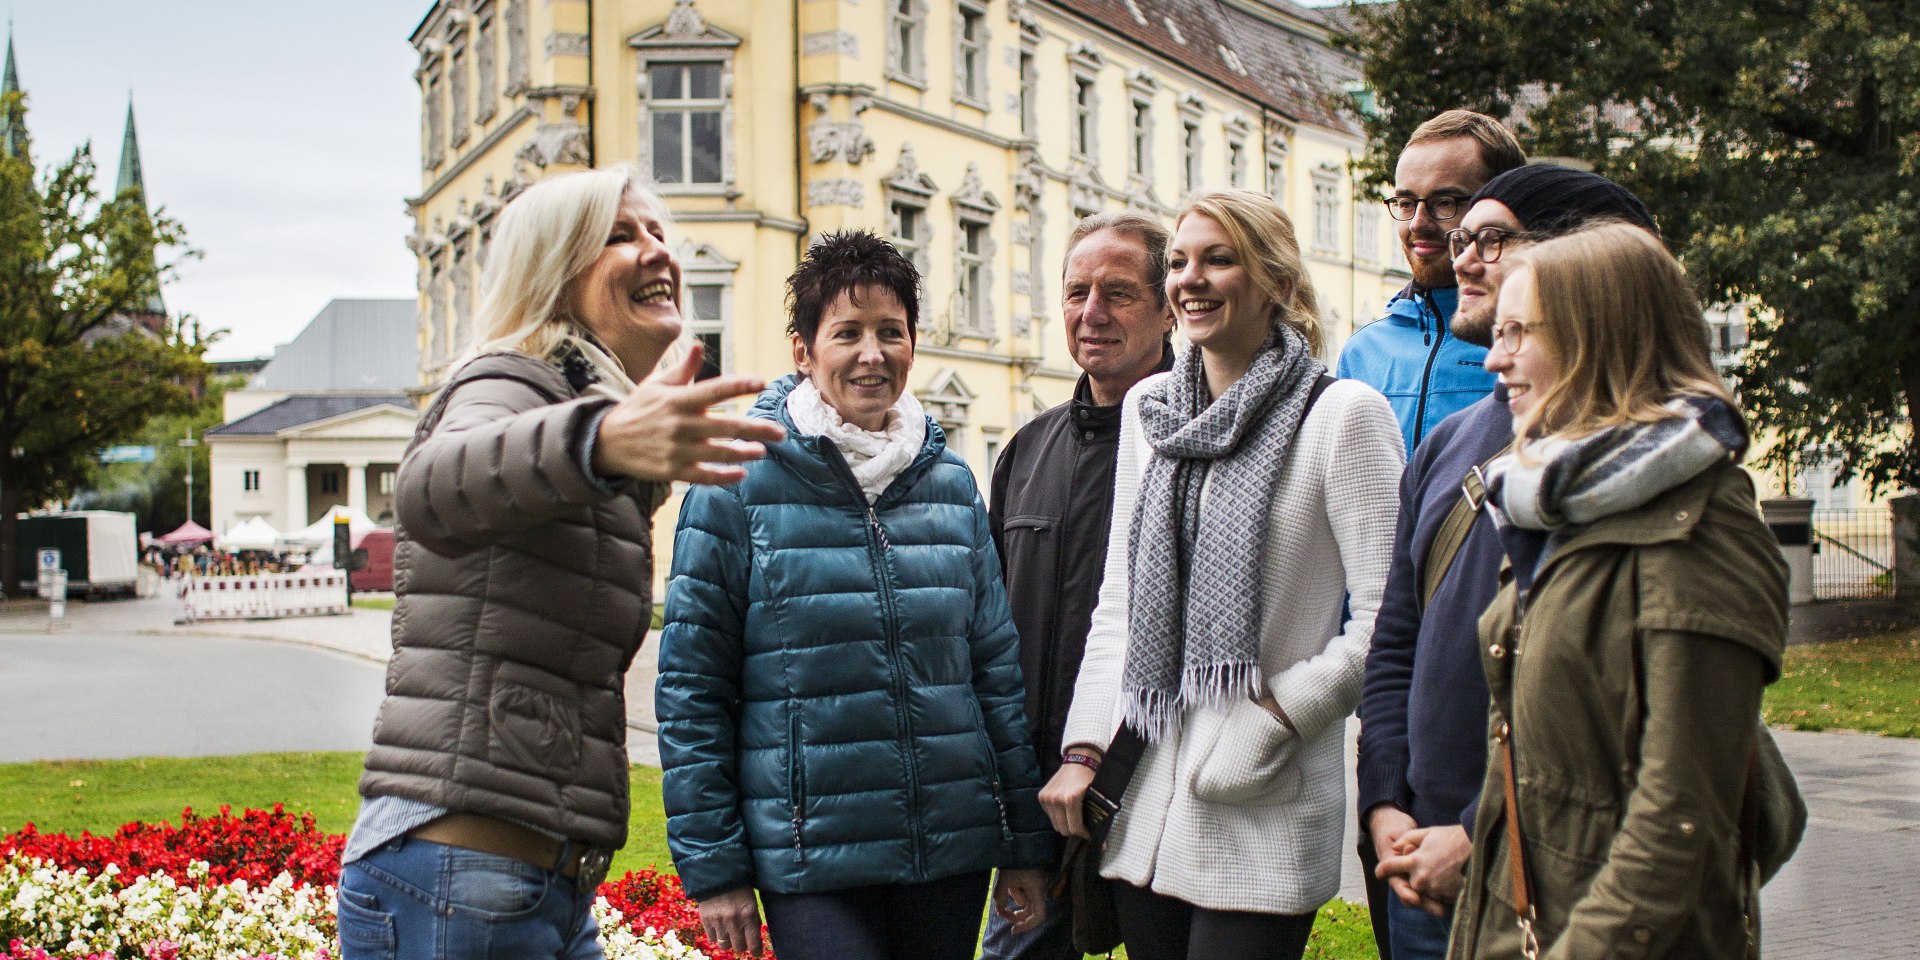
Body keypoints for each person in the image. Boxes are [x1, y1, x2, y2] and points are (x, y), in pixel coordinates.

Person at [335, 163, 787, 960]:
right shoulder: (508, 382)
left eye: (657, 232)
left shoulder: (580, 420)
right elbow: (429, 489)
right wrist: (603, 439)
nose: (657, 252)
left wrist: (625, 452)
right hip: (458, 872)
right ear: (554, 272)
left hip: (537, 881)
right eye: (621, 236)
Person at [656, 230, 1054, 960]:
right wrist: (716, 872)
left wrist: (1024, 841)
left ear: (912, 344)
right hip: (812, 857)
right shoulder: (736, 482)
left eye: (890, 333)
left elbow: (996, 677)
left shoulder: (952, 485)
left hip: (949, 849)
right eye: (847, 333)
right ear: (804, 352)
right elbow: (693, 691)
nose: (872, 354)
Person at [1040, 190, 1403, 960]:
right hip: (1143, 798)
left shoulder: (1343, 416)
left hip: (1263, 797)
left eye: (1218, 258)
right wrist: (1084, 750)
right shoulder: (1150, 412)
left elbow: (1391, 618)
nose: (1191, 278)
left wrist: (1276, 718)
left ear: (1274, 280)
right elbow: (1120, 608)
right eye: (1178, 261)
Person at [1450, 222, 1788, 959]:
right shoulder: (1557, 508)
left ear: (1597, 335)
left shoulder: (1700, 527)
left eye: (1518, 333)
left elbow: (1678, 823)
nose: (1494, 358)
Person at [1356, 165, 1659, 960]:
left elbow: (1631, 723)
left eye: (1491, 239)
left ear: (1577, 257)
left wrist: (1475, 832)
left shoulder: (1642, 464)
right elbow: (1396, 644)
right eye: (1460, 241)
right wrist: (1386, 804)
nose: (1460, 259)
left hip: (1551, 869)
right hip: (1416, 863)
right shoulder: (1446, 447)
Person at [982, 212, 1175, 960]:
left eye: (1119, 293)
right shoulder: (1029, 449)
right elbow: (994, 631)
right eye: (1076, 291)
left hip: (1160, 789)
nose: (1091, 312)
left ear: (1167, 309)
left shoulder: (1203, 440)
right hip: (1045, 799)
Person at [1337, 110, 1525, 455]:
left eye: (1445, 202)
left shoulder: (1534, 344)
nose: (1418, 223)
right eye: (1406, 203)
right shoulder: (1362, 351)